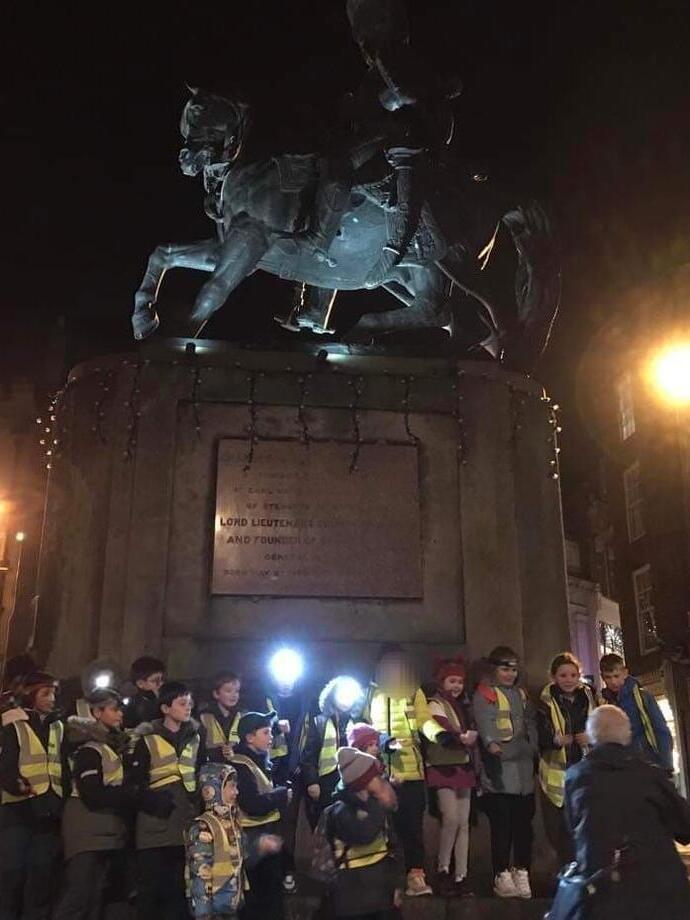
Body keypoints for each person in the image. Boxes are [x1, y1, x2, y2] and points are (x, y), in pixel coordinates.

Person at [562, 705, 690, 920]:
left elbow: (573, 830)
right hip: (661, 892)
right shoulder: (649, 774)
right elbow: (685, 826)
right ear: (628, 734)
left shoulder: (574, 777)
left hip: (603, 894)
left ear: (591, 736)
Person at [53, 688, 134, 920]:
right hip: (87, 829)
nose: (120, 715)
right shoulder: (88, 749)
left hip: (106, 829)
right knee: (79, 895)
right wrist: (129, 795)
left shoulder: (111, 747)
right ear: (97, 712)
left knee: (95, 897)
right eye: (114, 709)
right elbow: (92, 793)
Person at [129, 680, 206, 920]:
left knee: (179, 891)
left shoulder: (195, 739)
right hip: (155, 826)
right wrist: (154, 802)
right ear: (165, 708)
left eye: (190, 703)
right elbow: (133, 784)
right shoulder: (147, 740)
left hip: (184, 823)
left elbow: (200, 774)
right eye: (182, 703)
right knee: (151, 891)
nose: (188, 708)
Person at [0, 670, 67, 920]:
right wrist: (15, 785)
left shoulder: (57, 726)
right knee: (11, 877)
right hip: (18, 811)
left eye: (53, 693)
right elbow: (5, 763)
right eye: (46, 693)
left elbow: (62, 765)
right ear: (30, 694)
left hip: (48, 812)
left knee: (41, 879)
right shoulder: (12, 724)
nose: (52, 698)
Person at [367, 645, 433, 897]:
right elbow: (361, 727)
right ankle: (385, 880)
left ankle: (415, 876)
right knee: (382, 828)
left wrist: (441, 735)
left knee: (413, 828)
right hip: (379, 773)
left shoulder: (414, 693)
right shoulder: (370, 694)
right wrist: (384, 742)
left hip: (412, 773)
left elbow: (425, 721)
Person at [473, 646, 537, 900]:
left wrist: (531, 747)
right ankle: (501, 873)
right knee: (502, 828)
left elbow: (529, 721)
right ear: (494, 669)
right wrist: (491, 744)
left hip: (522, 771)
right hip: (499, 771)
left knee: (524, 828)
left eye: (513, 669)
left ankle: (521, 869)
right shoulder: (485, 694)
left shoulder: (521, 695)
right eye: (504, 669)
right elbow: (484, 721)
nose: (510, 674)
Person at [186, 762, 282, 919]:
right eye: (231, 787)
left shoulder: (232, 823)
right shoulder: (204, 827)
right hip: (213, 912)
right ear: (213, 790)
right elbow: (200, 876)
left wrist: (259, 846)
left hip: (230, 908)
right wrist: (203, 914)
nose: (236, 792)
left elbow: (240, 857)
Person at [421, 656, 479, 897]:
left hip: (462, 765)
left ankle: (461, 874)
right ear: (442, 681)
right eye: (452, 680)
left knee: (463, 823)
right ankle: (443, 869)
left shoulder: (460, 705)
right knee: (451, 819)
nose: (456, 686)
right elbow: (442, 729)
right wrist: (462, 738)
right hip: (443, 766)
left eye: (460, 682)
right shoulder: (436, 703)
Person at [326, 746, 403, 918]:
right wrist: (382, 804)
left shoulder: (374, 805)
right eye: (376, 776)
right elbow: (364, 835)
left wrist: (397, 886)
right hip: (354, 900)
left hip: (381, 895)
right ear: (363, 782)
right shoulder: (341, 811)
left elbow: (392, 846)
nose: (382, 779)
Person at [537, 652, 597, 866]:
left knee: (586, 820)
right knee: (561, 826)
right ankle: (568, 867)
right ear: (553, 677)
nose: (569, 679)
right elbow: (541, 733)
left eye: (573, 674)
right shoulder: (545, 701)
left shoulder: (589, 697)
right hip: (558, 770)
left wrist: (591, 737)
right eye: (563, 675)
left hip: (585, 765)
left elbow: (600, 723)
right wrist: (554, 740)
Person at [261, 655, 314, 894]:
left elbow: (311, 734)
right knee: (280, 822)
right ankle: (282, 870)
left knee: (302, 820)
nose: (286, 682)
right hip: (276, 769)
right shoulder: (265, 700)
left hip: (302, 768)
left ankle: (296, 870)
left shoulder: (306, 701)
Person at [231, 710, 290, 920]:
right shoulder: (241, 764)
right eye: (265, 732)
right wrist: (281, 795)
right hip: (253, 839)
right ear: (249, 737)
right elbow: (252, 804)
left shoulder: (258, 761)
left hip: (266, 836)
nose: (271, 737)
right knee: (260, 901)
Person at [301, 675, 363, 830]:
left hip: (351, 782)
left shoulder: (358, 723)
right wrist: (312, 781)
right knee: (326, 826)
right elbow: (309, 755)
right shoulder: (320, 722)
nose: (345, 699)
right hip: (326, 782)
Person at [599, 653, 673, 772]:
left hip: (647, 761)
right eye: (608, 677)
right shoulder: (603, 703)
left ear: (625, 673)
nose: (613, 681)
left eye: (616, 676)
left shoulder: (643, 697)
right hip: (620, 767)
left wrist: (666, 765)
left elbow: (660, 729)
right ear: (602, 677)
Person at [200, 671, 243, 764]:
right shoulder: (204, 716)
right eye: (228, 691)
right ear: (216, 694)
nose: (234, 695)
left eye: (237, 691)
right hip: (212, 768)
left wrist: (235, 750)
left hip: (237, 766)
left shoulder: (242, 715)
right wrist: (219, 751)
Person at [122, 656, 166, 730]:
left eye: (162, 679)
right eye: (154, 681)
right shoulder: (132, 706)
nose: (160, 684)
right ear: (140, 684)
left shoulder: (169, 699)